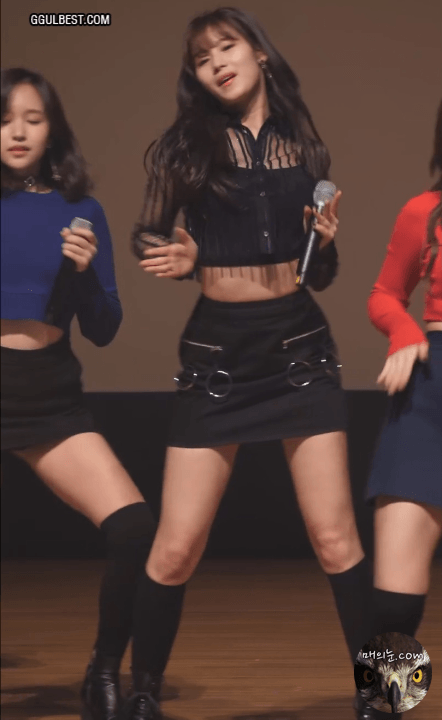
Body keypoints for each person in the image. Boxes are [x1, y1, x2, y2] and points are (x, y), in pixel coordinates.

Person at [129, 8, 372, 720]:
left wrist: (324, 242)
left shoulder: (304, 145)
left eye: (227, 46)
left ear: (259, 53)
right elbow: (149, 234)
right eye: (202, 57)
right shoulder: (184, 147)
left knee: (337, 539)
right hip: (218, 355)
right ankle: (141, 695)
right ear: (196, 75)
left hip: (299, 346)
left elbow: (317, 274)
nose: (217, 62)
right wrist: (183, 257)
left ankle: (393, 690)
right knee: (177, 547)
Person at [0, 68, 183, 720]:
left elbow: (104, 329)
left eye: (33, 118)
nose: (17, 131)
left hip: (48, 395)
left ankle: (104, 669)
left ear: (53, 130)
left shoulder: (81, 210)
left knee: (134, 529)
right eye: (4, 119)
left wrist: (81, 275)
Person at [363, 99, 442, 717]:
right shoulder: (424, 211)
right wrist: (405, 331)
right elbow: (385, 295)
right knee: (394, 600)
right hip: (430, 392)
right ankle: (387, 705)